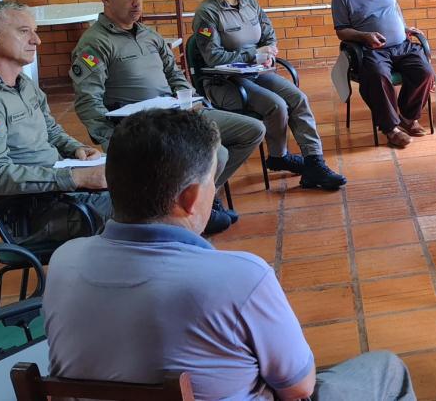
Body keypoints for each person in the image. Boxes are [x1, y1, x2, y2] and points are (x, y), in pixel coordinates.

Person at [43, 109, 416, 401]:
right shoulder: (240, 278)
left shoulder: (63, 261)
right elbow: (299, 388)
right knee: (386, 370)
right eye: (211, 183)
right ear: (189, 199)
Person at [70, 0, 265, 234]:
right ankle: (188, 209)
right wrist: (109, 139)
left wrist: (191, 101)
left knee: (252, 130)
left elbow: (176, 75)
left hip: (177, 113)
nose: (137, 3)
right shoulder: (95, 43)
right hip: (142, 125)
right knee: (217, 153)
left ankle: (204, 199)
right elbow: (87, 99)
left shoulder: (150, 36)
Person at [0, 1, 111, 240]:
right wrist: (75, 177)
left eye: (35, 31)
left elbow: (51, 130)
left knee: (150, 192)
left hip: (58, 194)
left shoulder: (23, 85)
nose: (36, 40)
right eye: (24, 32)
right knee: (149, 212)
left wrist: (75, 149)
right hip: (29, 214)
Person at [193, 0, 346, 191]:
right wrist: (253, 54)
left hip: (256, 73)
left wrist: (269, 52)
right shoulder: (207, 13)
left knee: (298, 98)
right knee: (276, 104)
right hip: (223, 82)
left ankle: (315, 162)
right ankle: (279, 156)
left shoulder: (250, 4)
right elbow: (213, 57)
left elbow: (268, 35)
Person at [331, 0, 436, 149]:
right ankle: (391, 129)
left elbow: (394, 7)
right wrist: (364, 36)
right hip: (372, 50)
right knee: (377, 76)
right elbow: (341, 31)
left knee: (425, 72)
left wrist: (403, 27)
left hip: (401, 45)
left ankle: (407, 116)